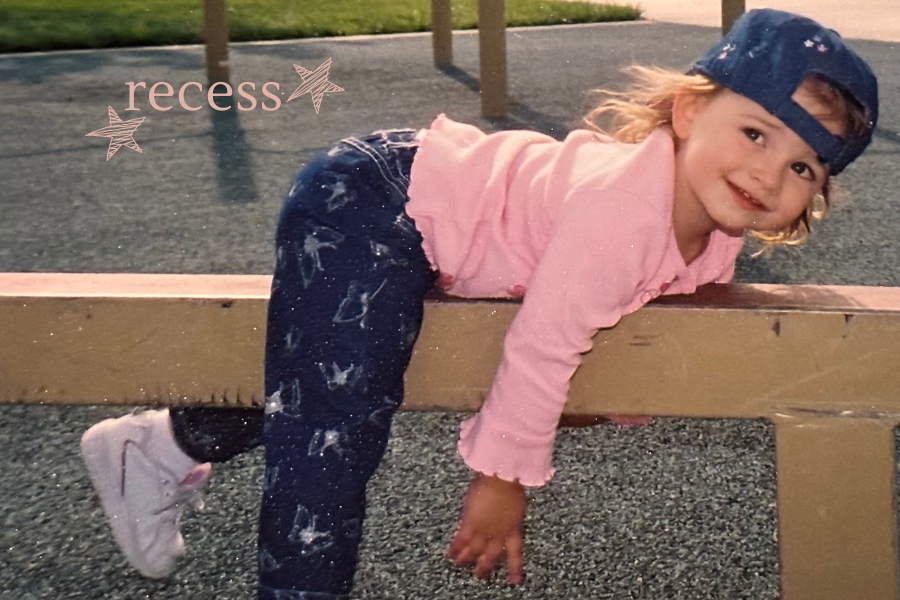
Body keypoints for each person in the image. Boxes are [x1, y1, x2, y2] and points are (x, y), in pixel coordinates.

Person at [80, 8, 878, 598]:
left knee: (346, 366)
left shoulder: (714, 232)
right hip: (377, 198)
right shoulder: (624, 210)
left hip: (436, 231)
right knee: (336, 422)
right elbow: (545, 341)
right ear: (690, 112)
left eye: (806, 168)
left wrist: (612, 404)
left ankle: (161, 446)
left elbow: (645, 320)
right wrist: (503, 480)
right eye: (756, 134)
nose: (773, 175)